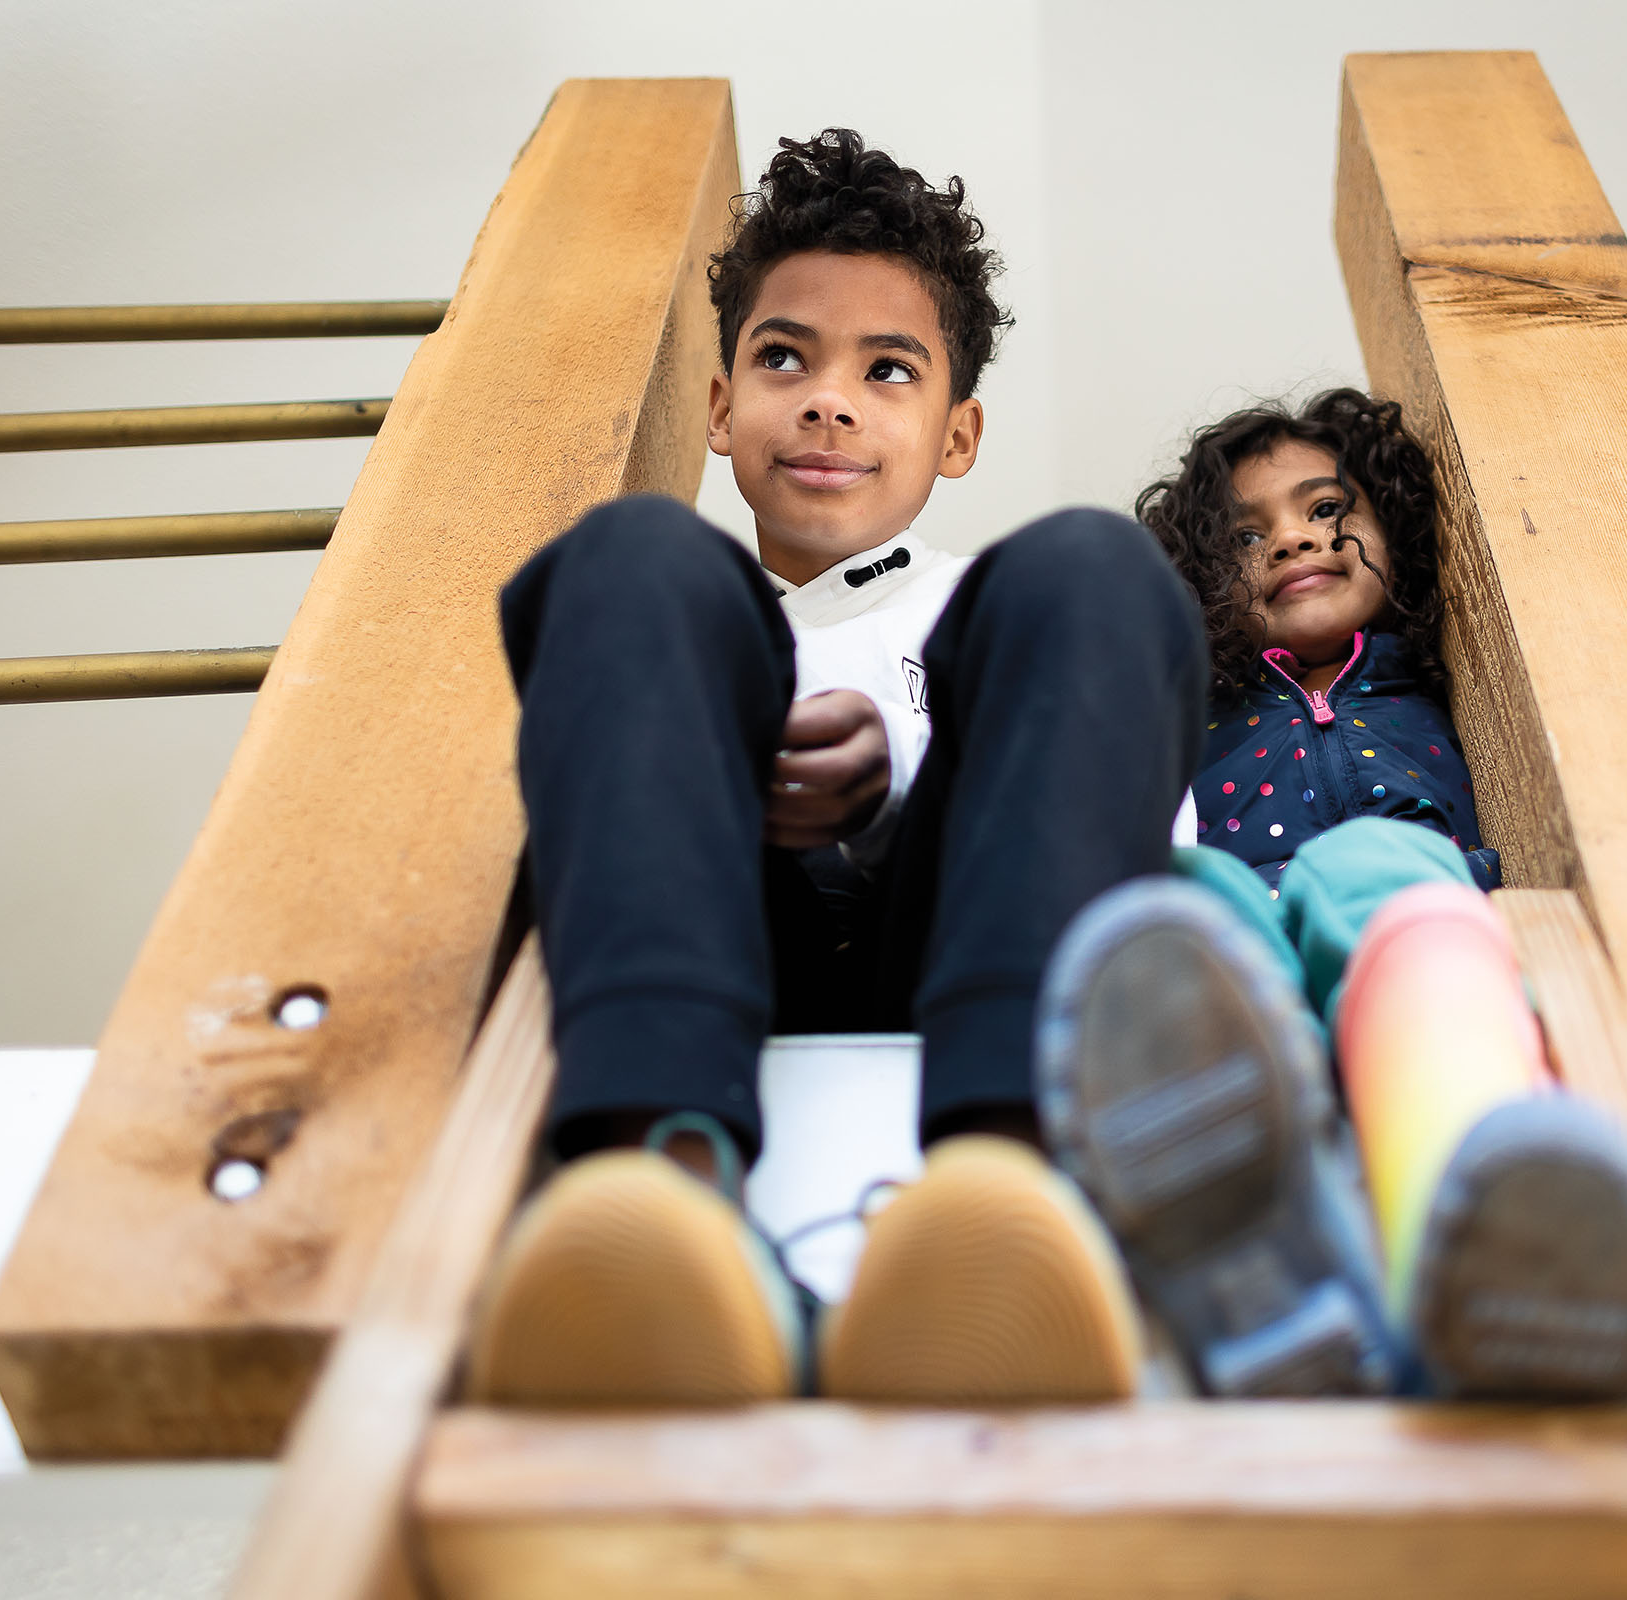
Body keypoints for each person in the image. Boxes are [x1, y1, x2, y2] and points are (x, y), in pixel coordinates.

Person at [465, 129, 1205, 1407]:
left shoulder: (1005, 605)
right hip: (723, 950)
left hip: (966, 951)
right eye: (783, 358)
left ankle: (1005, 1190)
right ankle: (664, 1197)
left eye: (888, 370)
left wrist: (885, 807)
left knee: (1096, 562)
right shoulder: (659, 614)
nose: (828, 399)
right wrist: (728, 790)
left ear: (955, 433)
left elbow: (1144, 833)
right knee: (633, 549)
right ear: (719, 405)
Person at [1037, 389, 1627, 1400]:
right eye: (1246, 535)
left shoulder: (1446, 677)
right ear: (1209, 583)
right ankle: (1234, 1203)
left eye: (1328, 507)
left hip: (1410, 905)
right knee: (1180, 897)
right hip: (1251, 912)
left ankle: (1468, 1224)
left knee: (1379, 872)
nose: (1294, 536)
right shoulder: (1205, 707)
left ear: (1389, 525)